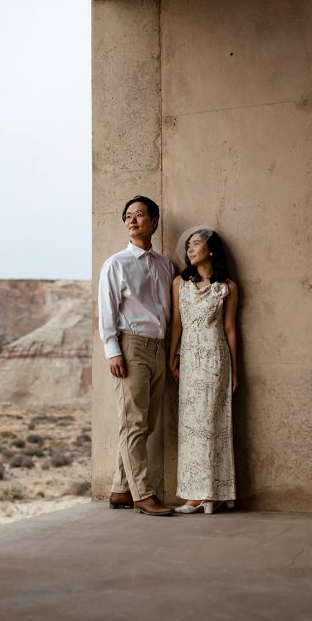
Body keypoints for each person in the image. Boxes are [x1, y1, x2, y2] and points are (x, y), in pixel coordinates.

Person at [98, 195, 176, 516]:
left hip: (158, 346)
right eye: (128, 216)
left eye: (140, 215)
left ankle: (120, 489)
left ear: (154, 222)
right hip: (131, 347)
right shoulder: (116, 264)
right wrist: (112, 350)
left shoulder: (166, 265)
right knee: (133, 423)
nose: (132, 220)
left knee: (144, 423)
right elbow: (107, 311)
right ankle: (143, 494)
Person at [168, 225, 239, 514]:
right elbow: (176, 323)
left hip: (215, 359)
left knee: (213, 425)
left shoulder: (228, 287)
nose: (190, 249)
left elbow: (231, 329)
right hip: (190, 361)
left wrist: (236, 370)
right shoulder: (179, 284)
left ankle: (214, 494)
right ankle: (193, 495)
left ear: (209, 249)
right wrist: (172, 355)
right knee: (191, 428)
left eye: (195, 244)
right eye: (187, 246)